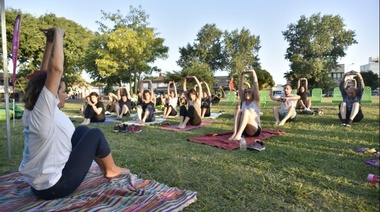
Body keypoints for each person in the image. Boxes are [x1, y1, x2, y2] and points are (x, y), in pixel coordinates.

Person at [19, 27, 129, 200]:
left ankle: (104, 169)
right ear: (52, 94)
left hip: (39, 185)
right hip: (55, 187)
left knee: (82, 131)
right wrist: (59, 35)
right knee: (94, 134)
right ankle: (112, 170)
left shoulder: (33, 109)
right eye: (62, 90)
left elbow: (42, 75)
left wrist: (49, 42)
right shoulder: (44, 112)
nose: (66, 94)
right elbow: (55, 70)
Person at [228, 69, 261, 141]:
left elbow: (256, 86)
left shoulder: (256, 102)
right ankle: (235, 133)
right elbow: (240, 88)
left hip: (254, 129)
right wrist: (241, 74)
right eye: (246, 92)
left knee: (246, 111)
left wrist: (253, 72)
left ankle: (239, 135)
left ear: (253, 94)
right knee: (238, 111)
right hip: (245, 130)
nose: (247, 93)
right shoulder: (243, 102)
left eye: (249, 92)